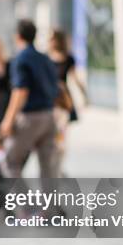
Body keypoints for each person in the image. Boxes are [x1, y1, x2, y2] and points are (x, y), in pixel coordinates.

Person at [0, 19, 59, 180]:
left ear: (17, 36)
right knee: (48, 168)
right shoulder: (45, 58)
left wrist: (8, 120)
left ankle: (25, 205)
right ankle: (50, 205)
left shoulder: (21, 58)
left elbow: (20, 91)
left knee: (9, 162)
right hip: (49, 115)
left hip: (30, 117)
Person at [47, 29, 86, 177]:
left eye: (53, 39)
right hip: (49, 101)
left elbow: (75, 78)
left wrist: (84, 94)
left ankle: (59, 167)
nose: (51, 42)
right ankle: (51, 166)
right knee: (50, 138)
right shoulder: (45, 58)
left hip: (63, 101)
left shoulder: (69, 59)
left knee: (62, 138)